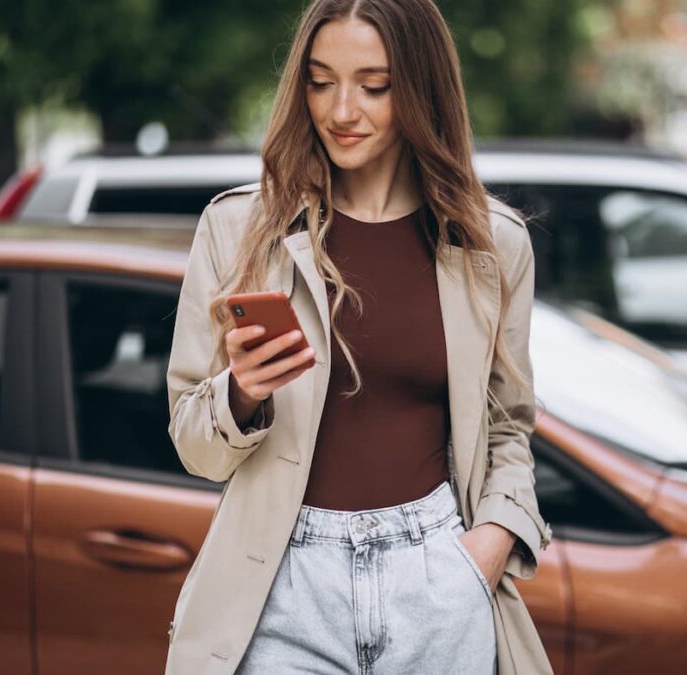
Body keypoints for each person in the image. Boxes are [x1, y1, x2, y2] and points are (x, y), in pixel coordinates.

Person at [163, 0, 551, 673]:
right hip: (283, 586)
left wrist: (486, 545)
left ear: (422, 88)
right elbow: (194, 444)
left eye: (374, 85)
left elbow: (507, 426)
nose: (342, 110)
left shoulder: (493, 245)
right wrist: (241, 395)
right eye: (320, 81)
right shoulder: (238, 230)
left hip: (438, 573)